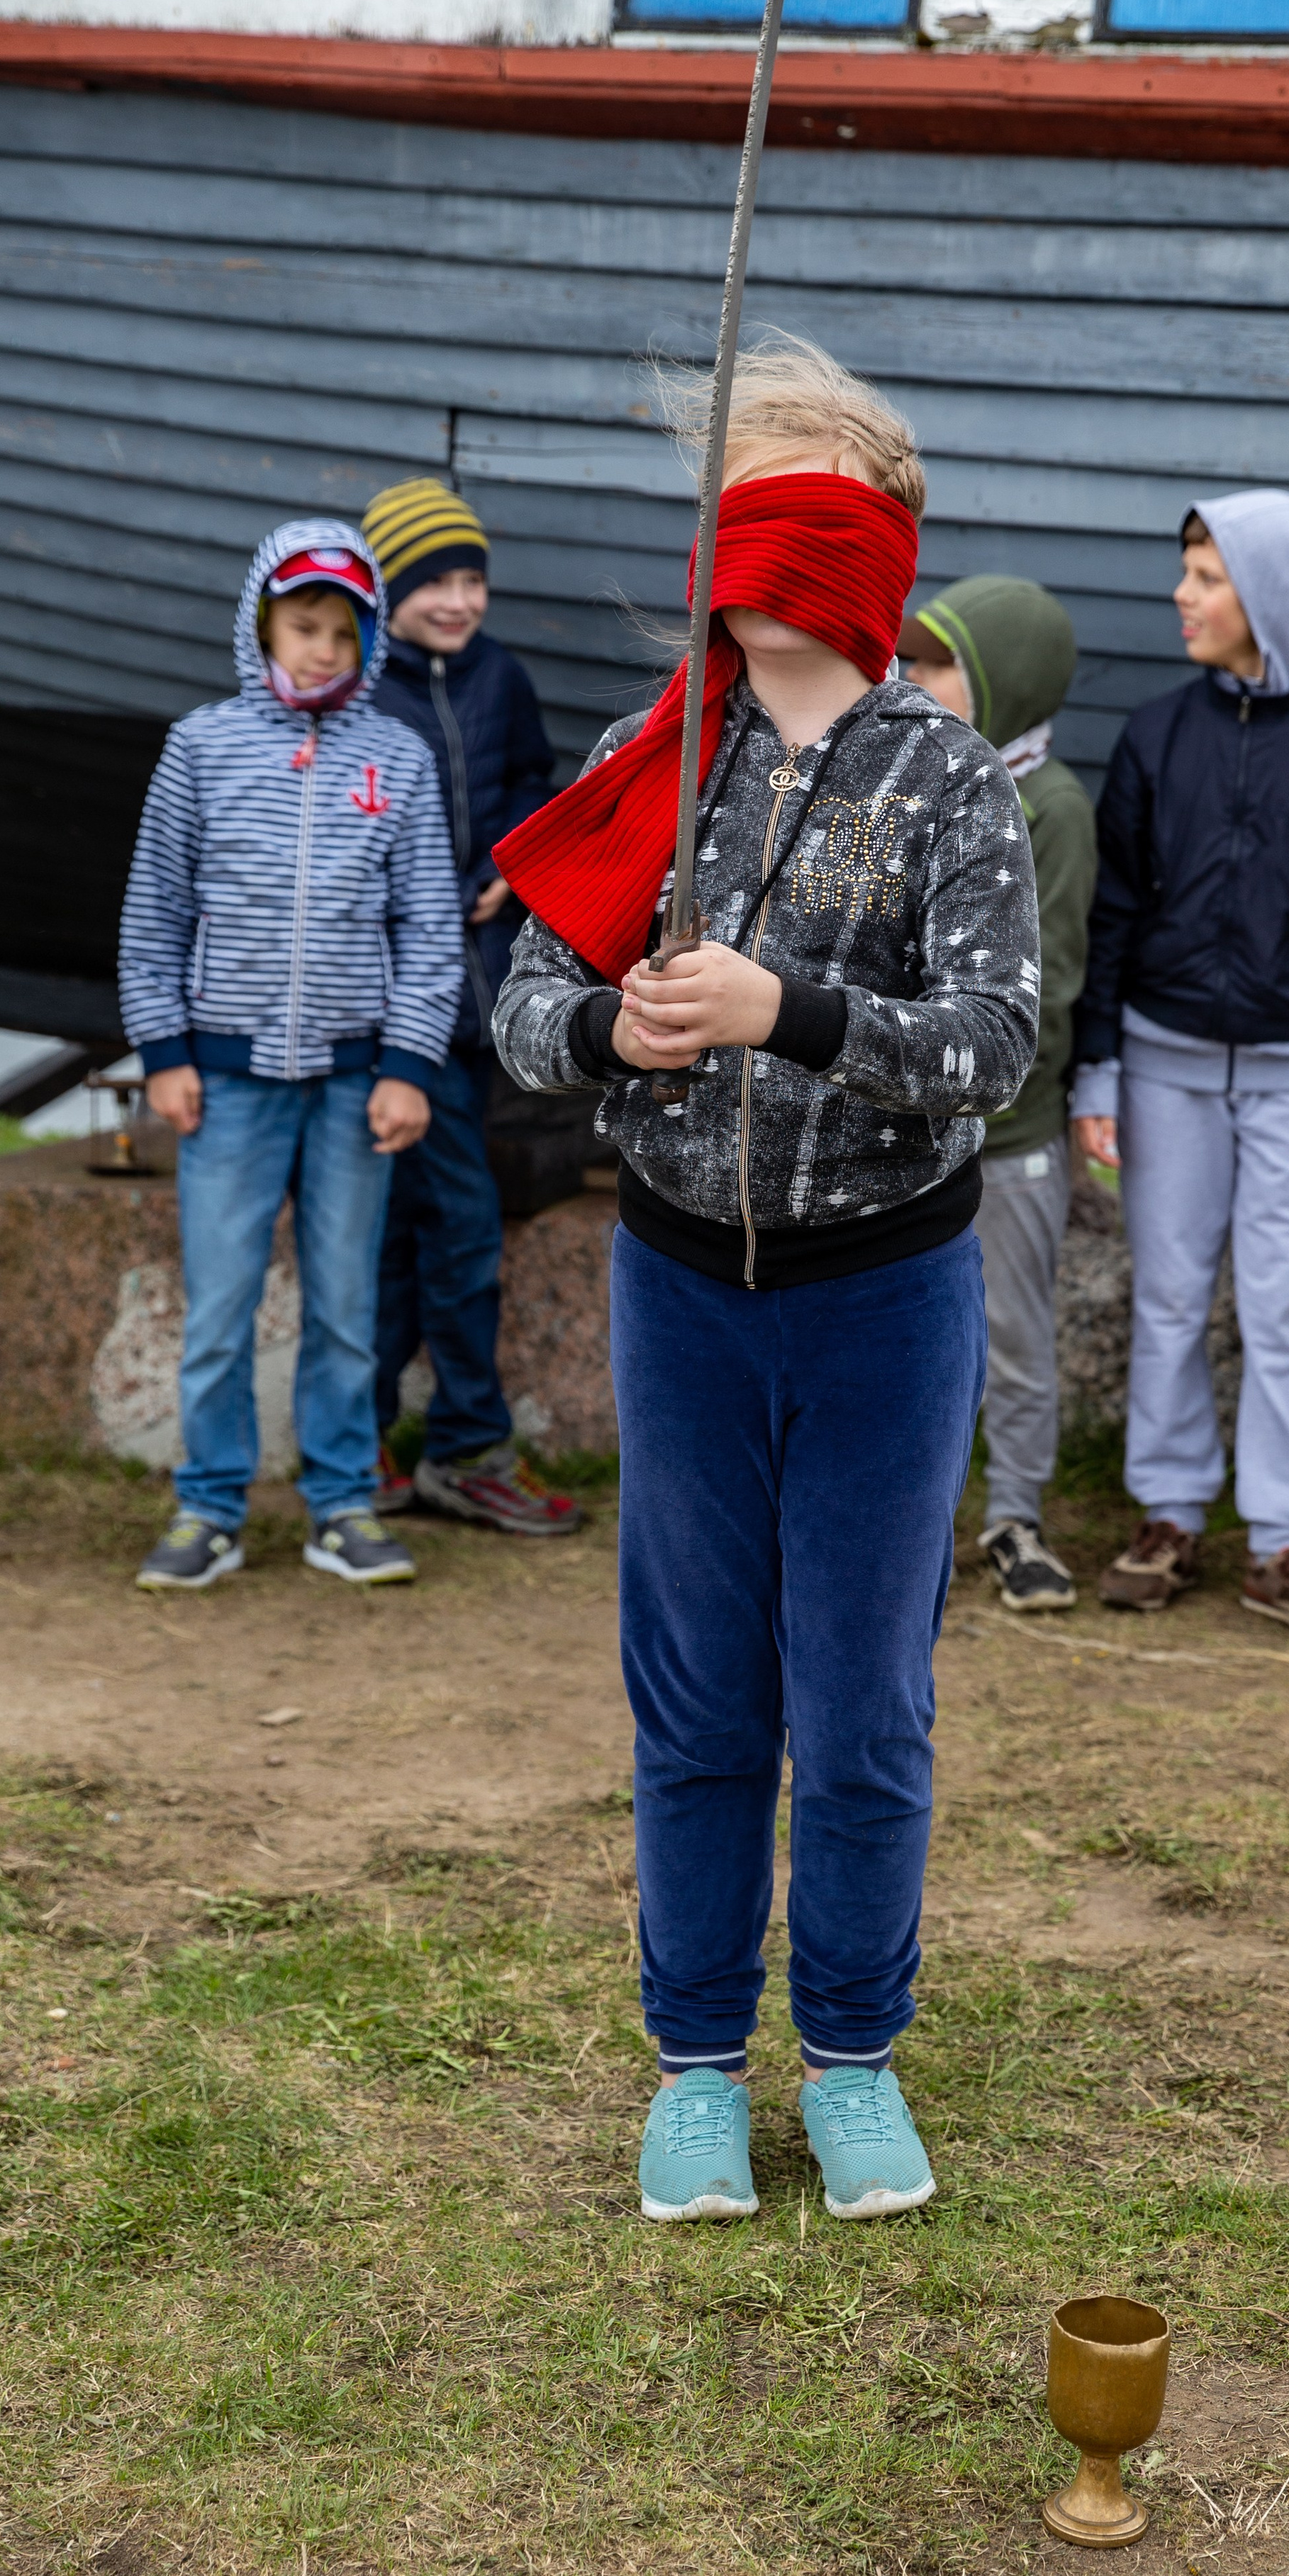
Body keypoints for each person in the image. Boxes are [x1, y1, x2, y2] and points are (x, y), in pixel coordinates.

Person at [491, 337, 1039, 2223]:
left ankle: (860, 2053)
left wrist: (783, 1009)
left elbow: (993, 1046)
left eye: (796, 487)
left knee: (865, 1698)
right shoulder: (661, 752)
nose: (760, 530)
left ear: (866, 535)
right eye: (741, 486)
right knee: (700, 1695)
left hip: (887, 1301)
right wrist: (612, 1031)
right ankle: (700, 2063)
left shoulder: (948, 777)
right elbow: (517, 1015)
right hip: (681, 1292)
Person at [1071, 493, 1289, 1647]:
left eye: (1208, 577)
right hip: (1162, 1071)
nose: (1183, 595)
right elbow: (1112, 912)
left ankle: (1281, 1540)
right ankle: (1167, 1514)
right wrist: (1099, 1071)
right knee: (1167, 1297)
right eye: (1186, 571)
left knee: (1281, 1306)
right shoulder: (1155, 733)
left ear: (1269, 595)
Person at [119, 518, 463, 1591]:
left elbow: (431, 928)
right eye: (301, 626)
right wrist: (165, 1050)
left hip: (356, 1081)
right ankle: (210, 1508)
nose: (320, 649)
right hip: (223, 1081)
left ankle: (340, 1503)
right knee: (218, 1308)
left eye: (341, 631)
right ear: (261, 625)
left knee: (345, 1308)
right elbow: (153, 916)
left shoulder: (396, 758)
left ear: (369, 639)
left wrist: (408, 1065)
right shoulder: (201, 748)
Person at [360, 478, 579, 1536]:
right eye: (432, 583)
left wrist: (514, 855)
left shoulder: (502, 679)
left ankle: (372, 1444)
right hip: (392, 1014)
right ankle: (462, 1446)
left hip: (474, 999)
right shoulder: (361, 693)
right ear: (386, 593)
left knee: (420, 1227)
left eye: (472, 581)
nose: (457, 602)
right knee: (447, 1229)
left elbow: (536, 788)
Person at [899, 577, 1094, 1611]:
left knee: (1013, 1337)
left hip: (1010, 1134)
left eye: (935, 666)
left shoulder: (1049, 806)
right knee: (911, 1343)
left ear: (1003, 682)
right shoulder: (913, 786)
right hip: (906, 1124)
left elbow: (1047, 980)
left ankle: (1015, 1518)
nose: (908, 680)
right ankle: (907, 1525)